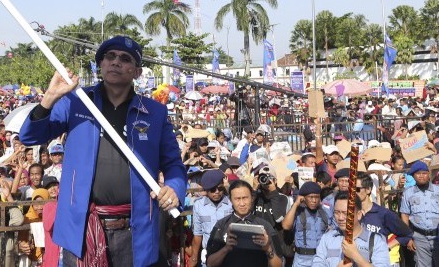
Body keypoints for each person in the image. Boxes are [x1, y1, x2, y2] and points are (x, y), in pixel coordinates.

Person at [19, 36, 186, 267]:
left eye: (125, 59)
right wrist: (49, 98)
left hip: (136, 232)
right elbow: (30, 137)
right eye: (110, 56)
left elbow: (174, 165)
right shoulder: (77, 102)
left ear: (137, 72)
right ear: (101, 64)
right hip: (81, 229)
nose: (116, 62)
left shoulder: (154, 112)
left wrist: (175, 188)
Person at [204, 179, 282, 267]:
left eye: (245, 198)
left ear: (252, 198)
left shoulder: (265, 226)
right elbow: (210, 263)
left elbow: (279, 264)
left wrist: (268, 249)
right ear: (230, 200)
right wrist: (226, 248)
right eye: (237, 199)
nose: (242, 203)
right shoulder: (221, 225)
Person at [312, 191, 391, 267]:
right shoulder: (328, 238)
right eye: (336, 212)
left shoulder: (376, 241)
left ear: (359, 214)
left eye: (345, 213)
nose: (340, 218)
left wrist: (356, 256)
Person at [399, 161, 439, 267]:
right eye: (418, 173)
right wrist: (408, 237)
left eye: (424, 173)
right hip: (419, 238)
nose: (421, 176)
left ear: (429, 174)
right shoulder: (408, 193)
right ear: (413, 176)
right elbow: (405, 215)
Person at [190, 169, 233, 267]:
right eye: (213, 189)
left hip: (229, 253)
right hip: (208, 255)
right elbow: (197, 234)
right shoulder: (198, 205)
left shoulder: (231, 203)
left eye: (220, 188)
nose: (217, 192)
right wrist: (194, 257)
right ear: (206, 189)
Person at [281, 182, 329, 267]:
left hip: (320, 259)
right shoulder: (298, 212)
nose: (314, 200)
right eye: (311, 197)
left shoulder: (324, 212)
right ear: (303, 198)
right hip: (302, 260)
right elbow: (285, 226)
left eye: (317, 197)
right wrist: (296, 204)